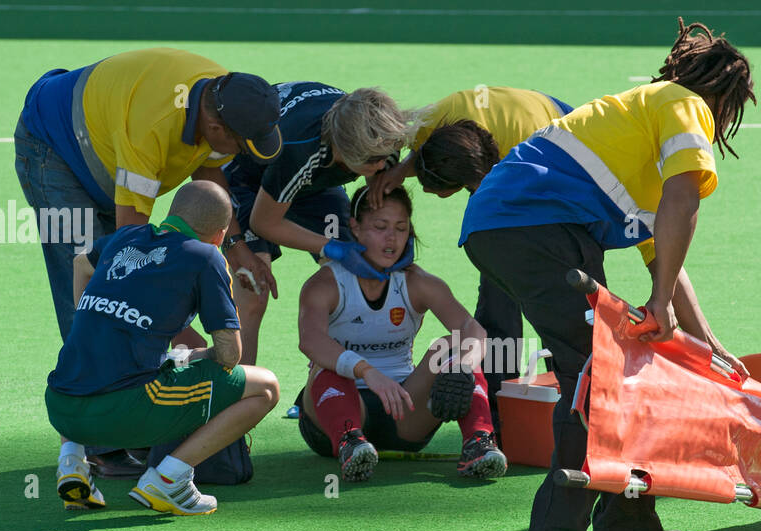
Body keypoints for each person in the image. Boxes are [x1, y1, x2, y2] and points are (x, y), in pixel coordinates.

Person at [459, 20, 756, 531]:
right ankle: (557, 526)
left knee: (622, 366)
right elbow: (684, 204)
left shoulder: (638, 125)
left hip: (514, 228)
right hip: (535, 227)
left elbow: (665, 253)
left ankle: (626, 520)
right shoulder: (686, 105)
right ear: (720, 97)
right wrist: (659, 301)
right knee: (594, 371)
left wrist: (708, 343)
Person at [17, 47, 281, 477]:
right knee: (93, 288)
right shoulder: (153, 127)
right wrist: (196, 345)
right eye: (239, 145)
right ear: (214, 126)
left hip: (106, 151)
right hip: (54, 151)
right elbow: (130, 253)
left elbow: (209, 180)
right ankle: (102, 443)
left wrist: (237, 249)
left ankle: (124, 420)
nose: (241, 154)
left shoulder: (222, 97)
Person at [46, 180, 281, 516]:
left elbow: (80, 263)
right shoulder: (206, 257)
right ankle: (170, 480)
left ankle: (72, 461)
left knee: (86, 356)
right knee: (266, 388)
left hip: (60, 407)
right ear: (220, 234)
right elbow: (230, 355)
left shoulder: (126, 236)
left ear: (171, 214)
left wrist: (91, 315)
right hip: (121, 412)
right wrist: (190, 356)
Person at [364, 87, 577, 431]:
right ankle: (503, 401)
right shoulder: (426, 130)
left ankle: (557, 395)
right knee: (501, 283)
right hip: (524, 119)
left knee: (547, 287)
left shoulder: (524, 165)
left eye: (439, 192)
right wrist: (401, 171)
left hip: (558, 143)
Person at [296, 184, 506, 482]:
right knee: (328, 364)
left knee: (451, 347)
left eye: (401, 228)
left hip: (404, 414)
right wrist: (366, 370)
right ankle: (350, 443)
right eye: (380, 227)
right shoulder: (326, 283)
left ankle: (480, 443)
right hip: (329, 418)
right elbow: (311, 340)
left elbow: (473, 330)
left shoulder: (417, 282)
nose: (391, 238)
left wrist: (463, 363)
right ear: (354, 228)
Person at [222, 83, 417, 366]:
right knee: (254, 288)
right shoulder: (300, 151)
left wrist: (395, 237)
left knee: (350, 281)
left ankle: (334, 385)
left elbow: (377, 195)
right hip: (248, 183)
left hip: (314, 186)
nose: (383, 166)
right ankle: (241, 390)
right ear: (345, 154)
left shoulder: (380, 137)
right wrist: (332, 247)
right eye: (374, 161)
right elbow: (264, 222)